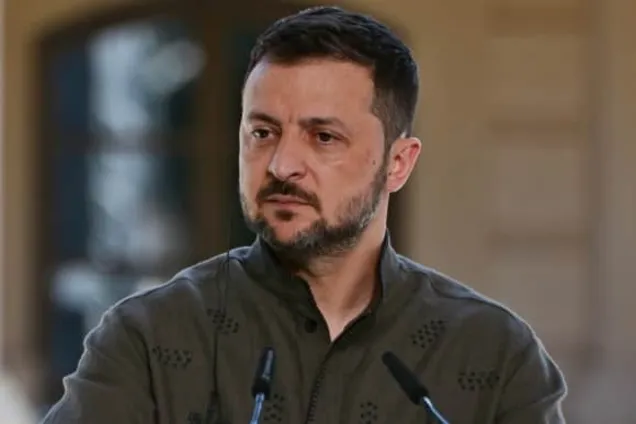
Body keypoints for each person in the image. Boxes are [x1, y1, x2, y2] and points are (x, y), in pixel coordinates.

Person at [42, 6, 567, 424]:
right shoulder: (150, 340)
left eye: (323, 137)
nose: (282, 164)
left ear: (398, 164)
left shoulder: (493, 354)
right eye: (262, 133)